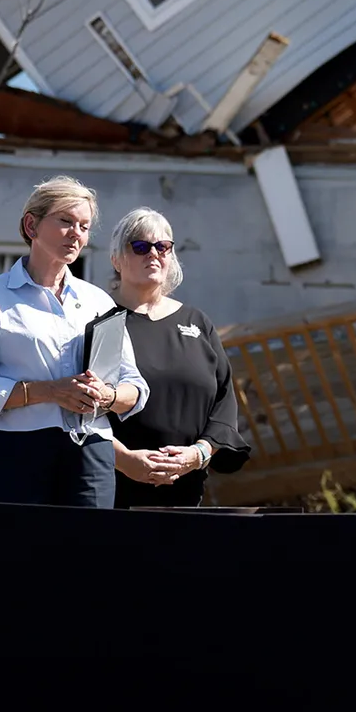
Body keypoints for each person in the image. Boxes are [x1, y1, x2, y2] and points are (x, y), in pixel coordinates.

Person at [0, 176, 147, 507]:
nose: (76, 233)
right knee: (21, 555)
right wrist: (50, 391)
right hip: (16, 450)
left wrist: (107, 395)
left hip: (92, 450)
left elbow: (134, 386)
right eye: (65, 221)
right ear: (31, 225)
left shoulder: (98, 301)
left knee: (88, 555)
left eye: (84, 226)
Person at [106, 208, 251, 507]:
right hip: (115, 491)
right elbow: (80, 411)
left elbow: (224, 403)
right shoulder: (101, 323)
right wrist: (125, 460)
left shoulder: (197, 322)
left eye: (163, 247)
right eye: (140, 246)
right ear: (116, 259)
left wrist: (198, 454)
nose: (153, 254)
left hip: (187, 491)